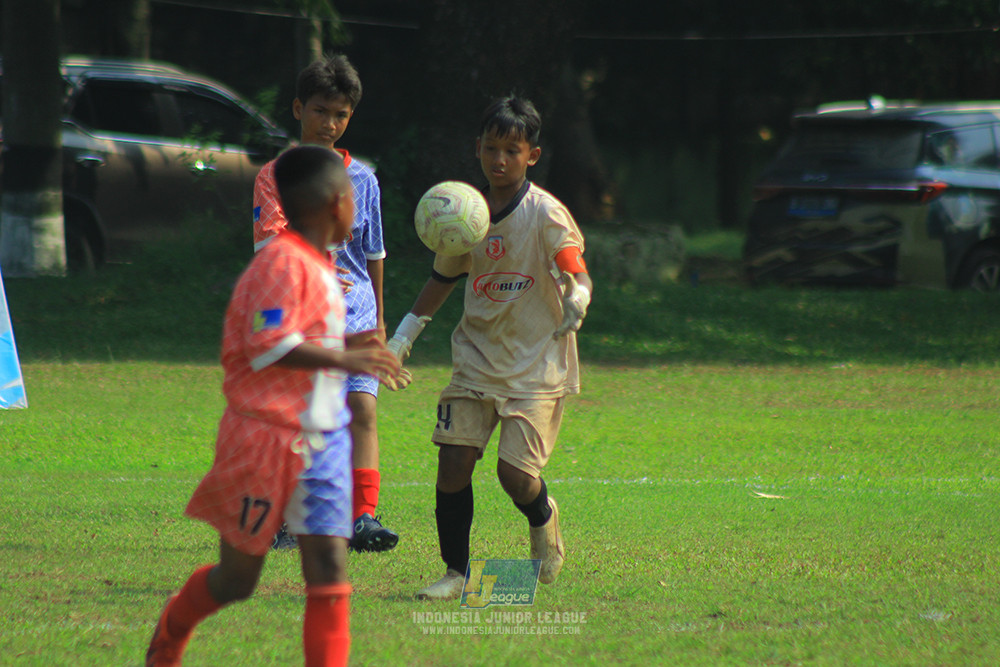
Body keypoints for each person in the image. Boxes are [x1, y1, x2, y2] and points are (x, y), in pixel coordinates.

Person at [146, 145, 401, 666]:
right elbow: (268, 345)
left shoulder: (324, 266)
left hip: (322, 442)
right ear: (335, 203)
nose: (360, 207)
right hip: (264, 441)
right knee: (238, 579)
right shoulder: (282, 265)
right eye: (354, 198)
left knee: (329, 566)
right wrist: (347, 350)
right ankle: (174, 625)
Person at [385, 95, 593, 600]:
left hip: (535, 364)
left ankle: (543, 517)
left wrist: (579, 295)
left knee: (515, 477)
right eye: (492, 148)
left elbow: (573, 264)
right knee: (453, 465)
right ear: (477, 148)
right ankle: (457, 574)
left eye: (512, 151)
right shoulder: (462, 214)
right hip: (476, 358)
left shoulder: (545, 213)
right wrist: (401, 339)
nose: (500, 160)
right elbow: (440, 280)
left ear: (532, 156)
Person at [254, 54, 399, 552]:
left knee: (362, 408)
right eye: (320, 111)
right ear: (298, 109)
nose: (329, 123)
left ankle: (363, 517)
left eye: (339, 114)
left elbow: (373, 255)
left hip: (355, 315)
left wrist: (378, 320)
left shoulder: (365, 180)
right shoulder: (274, 177)